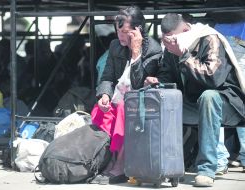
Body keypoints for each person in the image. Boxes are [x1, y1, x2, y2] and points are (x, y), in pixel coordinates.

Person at [145, 13, 245, 187]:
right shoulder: (171, 48)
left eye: (172, 38)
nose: (169, 43)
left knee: (209, 96)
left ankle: (206, 169)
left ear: (185, 30)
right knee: (162, 100)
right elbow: (167, 75)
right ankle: (164, 165)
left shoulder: (208, 38)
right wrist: (157, 82)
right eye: (166, 40)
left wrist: (183, 55)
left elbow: (213, 78)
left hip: (227, 103)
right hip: (194, 105)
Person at [90, 6, 162, 184]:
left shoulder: (152, 49)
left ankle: (120, 164)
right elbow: (107, 77)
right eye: (117, 30)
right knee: (100, 111)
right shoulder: (115, 46)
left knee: (124, 108)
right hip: (118, 99)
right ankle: (108, 159)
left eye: (125, 31)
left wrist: (136, 53)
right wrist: (104, 95)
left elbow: (138, 85)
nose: (120, 36)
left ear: (138, 30)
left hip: (139, 102)